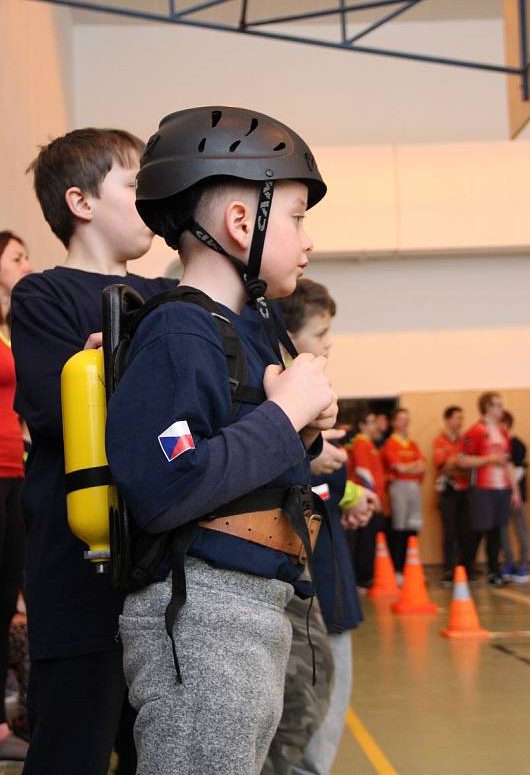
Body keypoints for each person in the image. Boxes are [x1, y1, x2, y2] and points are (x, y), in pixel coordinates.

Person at [105, 106, 337, 775]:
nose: (306, 238)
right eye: (295, 217)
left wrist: (297, 426)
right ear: (242, 223)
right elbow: (164, 480)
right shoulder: (181, 331)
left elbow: (222, 456)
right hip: (201, 615)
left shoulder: (232, 335)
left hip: (243, 608)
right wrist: (282, 415)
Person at [10, 128, 175, 775]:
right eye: (136, 185)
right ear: (80, 201)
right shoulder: (42, 295)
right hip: (77, 567)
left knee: (154, 747)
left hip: (158, 568)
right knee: (72, 743)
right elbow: (54, 408)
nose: (151, 199)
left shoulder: (167, 299)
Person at [269, 278, 368, 775]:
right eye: (320, 332)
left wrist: (351, 493)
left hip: (332, 589)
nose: (329, 343)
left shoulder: (320, 410)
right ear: (287, 340)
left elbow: (330, 489)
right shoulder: (277, 416)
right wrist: (308, 455)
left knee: (326, 711)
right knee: (301, 719)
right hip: (300, 596)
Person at [0, 231, 31, 761]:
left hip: (18, 469)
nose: (27, 263)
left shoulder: (14, 329)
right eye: (17, 257)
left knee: (7, 600)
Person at [461, 392, 520, 586]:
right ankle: (465, 570)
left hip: (501, 488)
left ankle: (494, 572)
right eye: (498, 405)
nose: (501, 409)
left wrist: (515, 490)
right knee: (478, 529)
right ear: (487, 407)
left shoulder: (503, 431)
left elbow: (508, 462)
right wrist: (489, 459)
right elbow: (463, 460)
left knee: (496, 530)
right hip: (482, 488)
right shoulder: (475, 431)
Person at [381, 408, 426, 578]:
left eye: (407, 419)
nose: (405, 422)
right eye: (401, 419)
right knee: (398, 528)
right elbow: (397, 467)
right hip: (398, 488)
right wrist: (412, 466)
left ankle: (411, 568)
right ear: (393, 422)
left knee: (413, 527)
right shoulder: (390, 444)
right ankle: (398, 570)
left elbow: (422, 465)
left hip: (414, 487)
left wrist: (409, 467)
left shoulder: (413, 444)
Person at [432, 406, 470, 586]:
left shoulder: (465, 440)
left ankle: (464, 568)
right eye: (456, 418)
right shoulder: (440, 441)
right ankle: (449, 569)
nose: (460, 422)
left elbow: (470, 464)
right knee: (450, 531)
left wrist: (458, 463)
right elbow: (442, 465)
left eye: (461, 418)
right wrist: (458, 462)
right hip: (448, 492)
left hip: (465, 490)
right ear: (447, 420)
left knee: (465, 531)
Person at [349, 409, 385, 588]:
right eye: (371, 422)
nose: (375, 425)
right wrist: (372, 497)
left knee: (369, 538)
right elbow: (363, 472)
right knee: (365, 539)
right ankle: (363, 578)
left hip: (372, 497)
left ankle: (366, 575)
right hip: (367, 499)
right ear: (362, 425)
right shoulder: (361, 443)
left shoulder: (369, 443)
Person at [500, 410, 530, 583]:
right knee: (503, 529)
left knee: (520, 528)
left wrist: (514, 491)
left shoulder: (516, 444)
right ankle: (508, 562)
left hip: (515, 493)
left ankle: (524, 563)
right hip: (500, 493)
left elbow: (517, 470)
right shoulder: (496, 444)